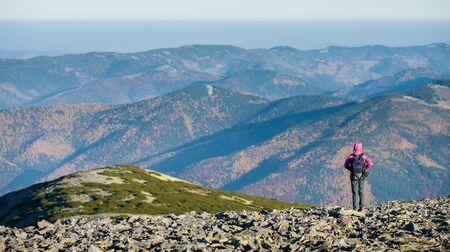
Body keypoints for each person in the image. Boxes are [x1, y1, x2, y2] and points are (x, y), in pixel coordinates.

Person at [344, 142, 373, 211]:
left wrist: (351, 169)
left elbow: (345, 165)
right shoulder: (363, 156)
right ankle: (361, 207)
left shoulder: (351, 156)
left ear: (354, 148)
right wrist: (365, 168)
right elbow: (370, 163)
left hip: (353, 176)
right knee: (361, 191)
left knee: (355, 192)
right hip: (362, 175)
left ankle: (354, 208)